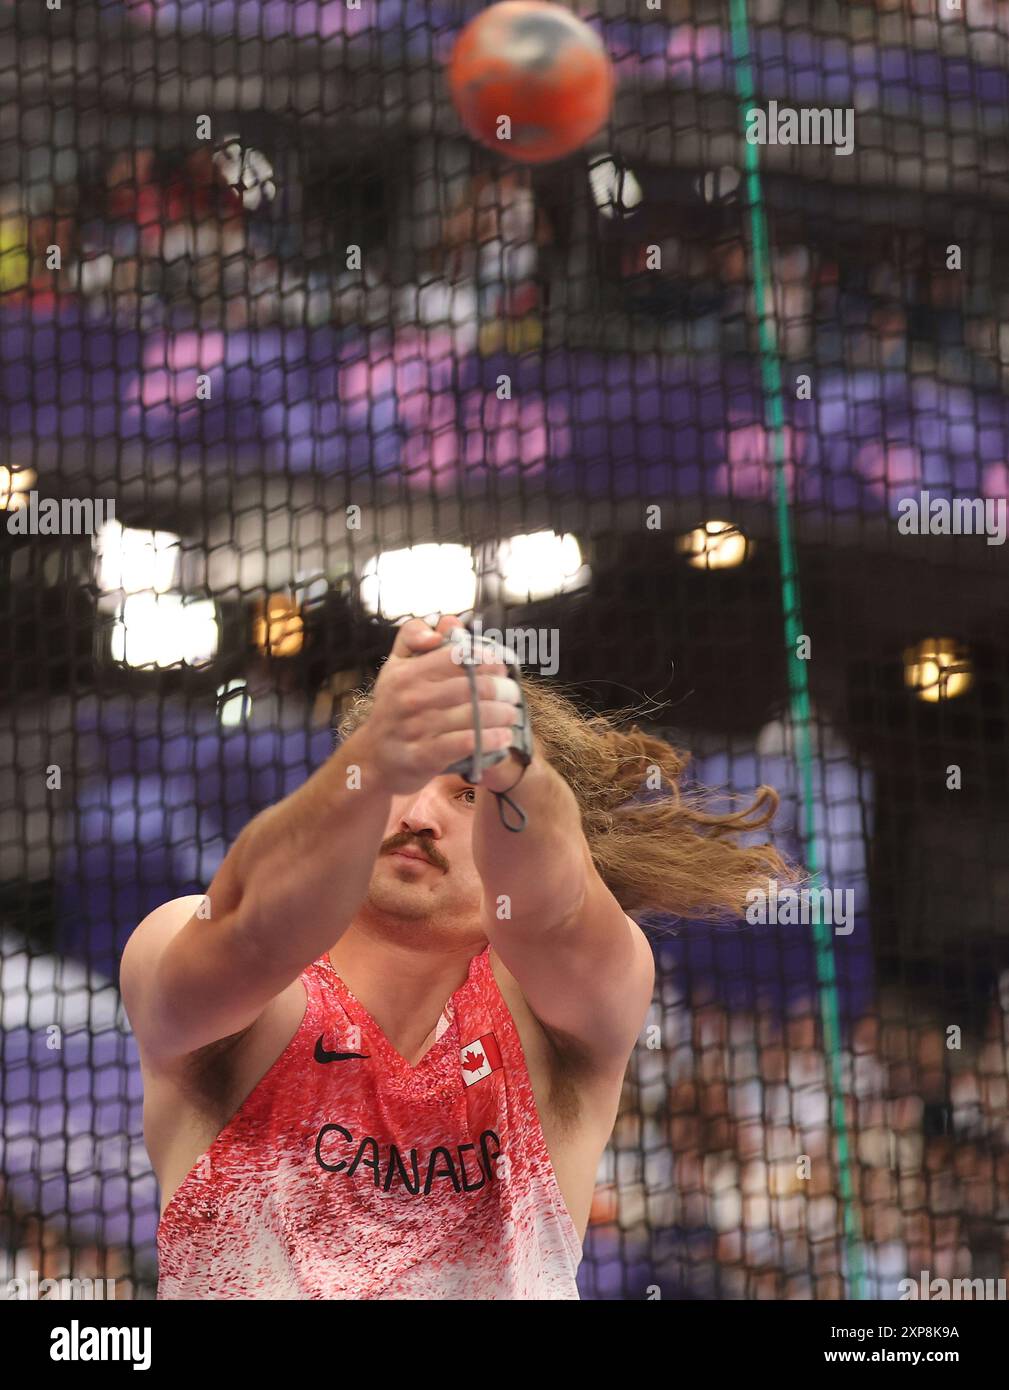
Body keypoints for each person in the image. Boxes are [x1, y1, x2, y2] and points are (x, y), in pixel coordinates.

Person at [121, 615, 786, 1300]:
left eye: (466, 792)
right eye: (403, 779)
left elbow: (551, 910)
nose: (416, 814)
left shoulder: (558, 1017)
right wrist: (379, 751)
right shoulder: (204, 959)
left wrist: (513, 765)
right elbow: (257, 929)